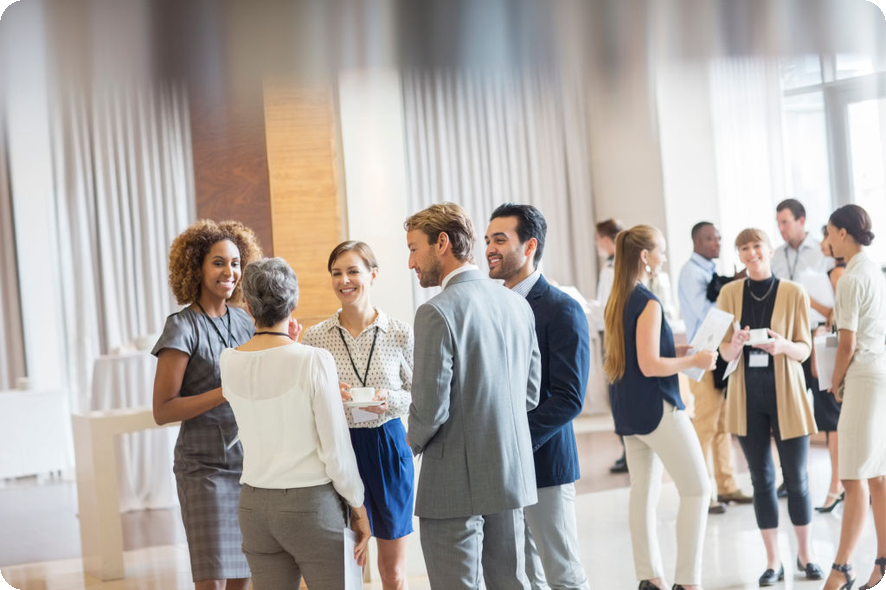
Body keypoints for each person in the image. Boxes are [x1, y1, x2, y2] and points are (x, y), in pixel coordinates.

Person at [405, 202, 541, 589]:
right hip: (509, 473)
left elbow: (430, 409)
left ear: (442, 243)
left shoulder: (436, 312)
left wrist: (406, 444)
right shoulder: (517, 304)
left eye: (414, 249)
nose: (411, 262)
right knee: (512, 583)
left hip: (452, 481)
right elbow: (530, 394)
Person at [219, 258, 371, 589]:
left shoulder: (228, 361)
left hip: (255, 507)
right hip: (311, 505)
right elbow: (336, 451)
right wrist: (358, 509)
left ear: (248, 306)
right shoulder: (313, 360)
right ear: (294, 302)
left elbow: (267, 387)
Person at [151, 219, 262, 590]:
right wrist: (223, 392)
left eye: (235, 263)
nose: (229, 271)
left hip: (248, 465)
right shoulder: (182, 327)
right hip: (203, 470)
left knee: (243, 575)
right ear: (196, 267)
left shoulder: (246, 321)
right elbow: (163, 410)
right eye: (218, 262)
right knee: (211, 579)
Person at [486, 203, 591, 590]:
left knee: (563, 573)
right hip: (500, 467)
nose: (489, 249)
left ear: (529, 246)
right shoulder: (491, 307)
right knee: (526, 575)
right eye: (487, 240)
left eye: (500, 240)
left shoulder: (562, 309)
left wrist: (515, 441)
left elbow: (569, 397)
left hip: (545, 461)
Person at [604, 224, 713, 590]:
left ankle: (650, 577)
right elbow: (650, 365)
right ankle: (688, 582)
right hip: (657, 409)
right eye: (661, 252)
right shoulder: (648, 301)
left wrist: (680, 351)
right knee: (698, 489)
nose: (664, 258)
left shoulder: (619, 298)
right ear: (645, 256)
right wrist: (693, 360)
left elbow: (639, 353)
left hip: (629, 412)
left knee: (643, 493)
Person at [302, 241, 415, 590]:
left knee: (392, 572)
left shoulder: (399, 332)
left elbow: (421, 396)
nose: (344, 280)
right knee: (345, 567)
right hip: (339, 448)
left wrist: (388, 399)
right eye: (336, 273)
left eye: (353, 271)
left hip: (388, 447)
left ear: (373, 275)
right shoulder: (315, 338)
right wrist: (328, 396)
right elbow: (305, 400)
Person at [716, 228, 823, 586]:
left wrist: (782, 347)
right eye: (744, 248)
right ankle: (773, 560)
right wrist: (735, 343)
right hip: (747, 395)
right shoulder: (729, 293)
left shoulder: (793, 292)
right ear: (739, 255)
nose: (751, 253)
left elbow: (804, 349)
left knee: (797, 478)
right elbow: (723, 352)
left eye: (757, 246)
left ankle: (806, 555)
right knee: (761, 480)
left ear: (769, 249)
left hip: (787, 393)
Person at [821, 205, 886, 590]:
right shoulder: (875, 271)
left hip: (861, 375)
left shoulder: (849, 279)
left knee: (853, 476)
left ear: (843, 233)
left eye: (830, 232)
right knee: (876, 475)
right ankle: (881, 564)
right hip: (880, 371)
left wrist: (834, 381)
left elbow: (846, 343)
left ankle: (842, 567)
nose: (828, 240)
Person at [677, 222, 753, 515]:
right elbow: (706, 312)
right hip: (703, 354)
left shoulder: (710, 271)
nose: (717, 243)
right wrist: (732, 287)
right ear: (696, 241)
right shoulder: (691, 273)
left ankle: (727, 485)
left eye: (719, 238)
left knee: (722, 424)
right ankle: (700, 491)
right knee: (705, 424)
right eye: (710, 238)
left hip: (720, 353)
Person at [772, 198, 834, 499]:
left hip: (818, 334)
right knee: (789, 410)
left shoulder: (823, 252)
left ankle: (838, 483)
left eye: (785, 222)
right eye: (778, 223)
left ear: (801, 220)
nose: (781, 229)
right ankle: (793, 477)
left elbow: (832, 300)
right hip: (788, 339)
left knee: (828, 410)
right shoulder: (776, 256)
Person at [811, 225, 846, 514]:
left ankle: (837, 485)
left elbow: (838, 315)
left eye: (826, 236)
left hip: (834, 349)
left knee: (833, 421)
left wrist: (809, 302)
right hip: (830, 345)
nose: (822, 243)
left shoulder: (838, 273)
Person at [595, 218, 630, 474]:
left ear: (606, 240)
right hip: (617, 334)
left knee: (618, 393)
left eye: (598, 240)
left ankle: (629, 450)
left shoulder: (612, 269)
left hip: (613, 337)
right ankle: (627, 450)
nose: (597, 245)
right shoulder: (620, 264)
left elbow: (608, 308)